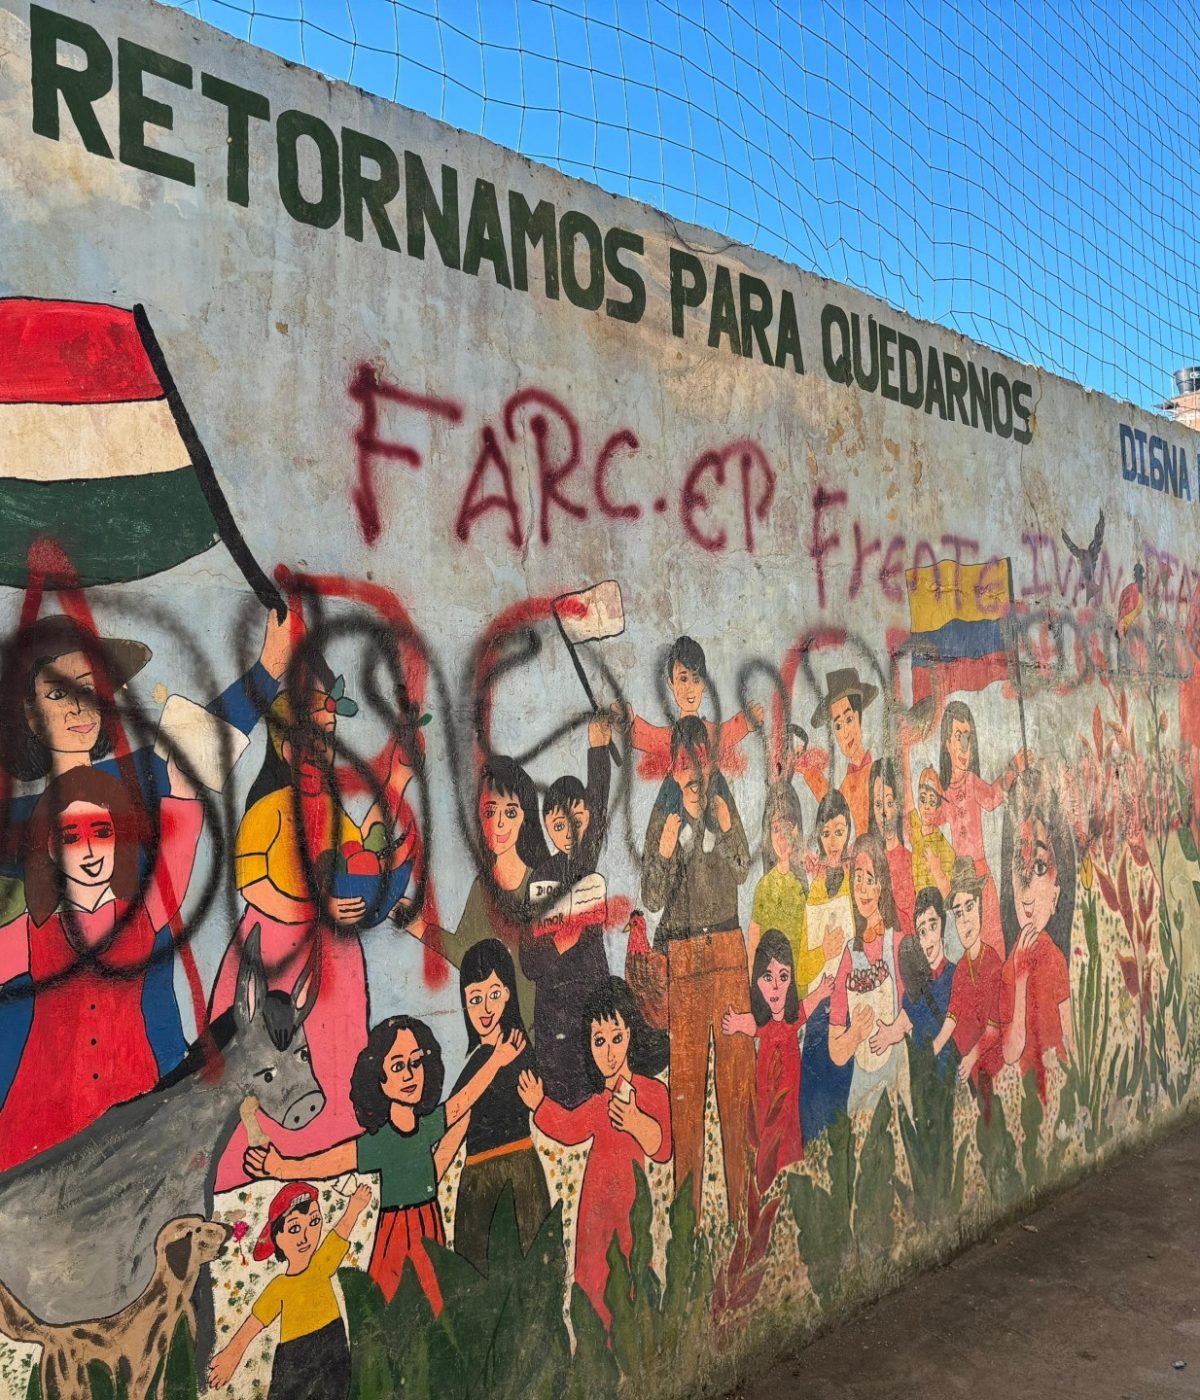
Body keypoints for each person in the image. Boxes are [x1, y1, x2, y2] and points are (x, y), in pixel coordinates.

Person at [0, 609, 292, 1090]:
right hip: (41, 1081)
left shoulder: (141, 779)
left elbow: (202, 744)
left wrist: (269, 669)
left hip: (144, 1060)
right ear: (29, 713)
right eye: (56, 693)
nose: (77, 708)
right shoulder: (17, 822)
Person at [208, 677, 416, 1190]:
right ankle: (253, 1179)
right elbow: (252, 882)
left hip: (335, 959)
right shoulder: (269, 807)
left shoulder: (330, 806)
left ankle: (331, 1166)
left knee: (341, 1050)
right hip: (275, 955)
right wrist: (317, 906)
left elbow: (363, 852)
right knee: (266, 1059)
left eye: (325, 739)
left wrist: (399, 783)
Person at [245, 1015, 527, 1312]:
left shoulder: (428, 1125)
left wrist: (496, 1060)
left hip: (430, 1226)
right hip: (399, 1232)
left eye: (415, 1063)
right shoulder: (380, 1142)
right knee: (396, 1306)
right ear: (377, 1076)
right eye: (397, 1066)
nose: (409, 1075)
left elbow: (462, 1102)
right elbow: (335, 1161)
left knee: (435, 1305)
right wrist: (282, 1168)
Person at [0, 756, 201, 1170]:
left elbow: (176, 858)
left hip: (131, 1098)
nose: (90, 850)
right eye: (71, 836)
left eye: (102, 832)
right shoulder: (31, 935)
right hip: (45, 1114)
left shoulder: (142, 917)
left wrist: (184, 789)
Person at [640, 716, 754, 1222]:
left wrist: (727, 827)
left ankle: (743, 1212)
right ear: (673, 765)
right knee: (684, 1096)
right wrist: (666, 848)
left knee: (736, 1089)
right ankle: (688, 1224)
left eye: (699, 762)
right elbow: (650, 896)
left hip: (728, 952)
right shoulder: (663, 811)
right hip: (684, 961)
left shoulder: (722, 801)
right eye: (683, 763)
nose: (692, 774)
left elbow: (743, 868)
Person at [518, 978, 671, 1329]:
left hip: (634, 1208)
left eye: (616, 1038)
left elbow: (661, 1148)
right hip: (595, 1211)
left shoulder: (651, 1092)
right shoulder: (598, 1104)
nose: (609, 1051)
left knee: (633, 1272)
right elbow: (569, 1128)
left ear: (632, 1034)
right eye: (599, 1041)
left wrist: (635, 1122)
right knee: (592, 1279)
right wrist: (539, 1103)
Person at [206, 1181, 372, 1400]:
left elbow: (340, 1233)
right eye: (294, 1228)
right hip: (295, 1358)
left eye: (314, 1222)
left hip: (333, 1349)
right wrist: (231, 1354)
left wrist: (354, 1207)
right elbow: (254, 1323)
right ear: (277, 1239)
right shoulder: (280, 1286)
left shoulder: (322, 1264)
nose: (305, 1237)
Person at [521, 716, 613, 1106]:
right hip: (555, 1007)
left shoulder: (586, 866)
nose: (570, 832)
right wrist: (559, 943)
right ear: (547, 826)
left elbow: (600, 799)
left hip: (592, 993)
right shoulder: (542, 878)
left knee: (597, 1086)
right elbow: (528, 960)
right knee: (560, 1092)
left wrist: (598, 748)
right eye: (560, 824)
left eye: (578, 821)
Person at [447, 939, 550, 1272]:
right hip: (477, 1179)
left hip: (520, 1171)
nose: (485, 1009)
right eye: (475, 999)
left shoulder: (522, 1051)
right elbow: (456, 1119)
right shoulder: (475, 1064)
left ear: (508, 993)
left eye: (493, 994)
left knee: (530, 1267)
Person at [721, 929, 832, 1190]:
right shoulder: (765, 1023)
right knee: (767, 1130)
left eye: (783, 977)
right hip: (767, 1093)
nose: (775, 986)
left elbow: (807, 1006)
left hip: (790, 1095)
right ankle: (767, 1178)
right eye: (767, 977)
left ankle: (788, 1172)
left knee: (789, 1128)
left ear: (791, 981)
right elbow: (750, 1025)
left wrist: (823, 990)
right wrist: (735, 1022)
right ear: (757, 982)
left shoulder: (791, 1019)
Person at [998, 771, 1075, 1101]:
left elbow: (1069, 1041)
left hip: (1059, 1088)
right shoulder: (1009, 968)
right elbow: (1010, 1053)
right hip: (1025, 1096)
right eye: (1020, 867)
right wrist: (1019, 978)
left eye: (1040, 868)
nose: (1026, 892)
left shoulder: (1057, 960)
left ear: (1057, 894)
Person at [934, 700, 1027, 962]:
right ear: (947, 743)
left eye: (968, 737)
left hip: (981, 874)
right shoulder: (943, 794)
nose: (964, 746)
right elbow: (932, 821)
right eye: (958, 736)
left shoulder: (973, 783)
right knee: (968, 947)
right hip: (960, 877)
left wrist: (1014, 768)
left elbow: (993, 797)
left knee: (992, 940)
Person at [828, 834, 910, 1117]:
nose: (862, 887)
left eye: (870, 878)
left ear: (882, 887)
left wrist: (896, 1030)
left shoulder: (898, 944)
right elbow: (836, 1050)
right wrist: (856, 1034)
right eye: (858, 878)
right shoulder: (849, 956)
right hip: (863, 1090)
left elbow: (921, 1008)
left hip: (899, 1081)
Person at [612, 634, 763, 781]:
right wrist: (629, 726)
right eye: (683, 679)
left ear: (704, 683)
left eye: (696, 679)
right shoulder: (671, 738)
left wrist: (745, 722)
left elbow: (725, 734)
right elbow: (653, 739)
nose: (689, 688)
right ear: (671, 684)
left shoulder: (709, 733)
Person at [799, 789, 855, 1143]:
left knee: (839, 1105)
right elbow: (803, 968)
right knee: (810, 1107)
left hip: (848, 1007)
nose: (834, 841)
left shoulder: (857, 878)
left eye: (839, 830)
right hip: (818, 1009)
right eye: (826, 833)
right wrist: (823, 952)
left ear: (849, 829)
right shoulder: (815, 887)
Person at [932, 859, 1004, 1102]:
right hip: (969, 1064)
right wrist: (934, 1047)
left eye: (969, 907)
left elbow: (994, 1029)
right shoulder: (962, 967)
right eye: (958, 913)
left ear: (981, 907)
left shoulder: (992, 961)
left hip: (993, 1065)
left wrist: (973, 1055)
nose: (964, 921)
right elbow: (954, 1013)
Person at [799, 667, 877, 839]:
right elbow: (833, 806)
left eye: (849, 719)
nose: (845, 733)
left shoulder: (878, 772)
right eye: (838, 726)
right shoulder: (847, 784)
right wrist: (807, 769)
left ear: (859, 718)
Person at [896, 888, 958, 1076]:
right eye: (922, 931)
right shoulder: (915, 989)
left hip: (951, 1078)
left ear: (943, 925)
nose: (928, 938)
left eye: (933, 926)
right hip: (923, 1084)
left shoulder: (957, 977)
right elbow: (905, 1021)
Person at [868, 757, 915, 936]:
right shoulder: (867, 863)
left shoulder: (909, 861)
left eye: (889, 803)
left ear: (898, 805)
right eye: (878, 804)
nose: (884, 814)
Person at [908, 767, 957, 902]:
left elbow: (949, 896)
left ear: (938, 808)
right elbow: (907, 796)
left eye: (932, 802)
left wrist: (935, 868)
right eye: (923, 799)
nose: (926, 807)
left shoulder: (945, 848)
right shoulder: (916, 829)